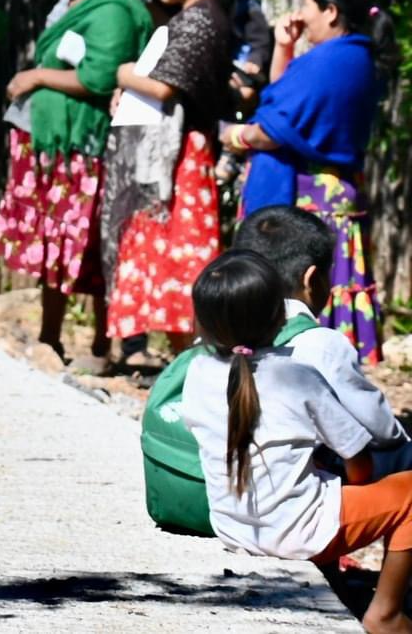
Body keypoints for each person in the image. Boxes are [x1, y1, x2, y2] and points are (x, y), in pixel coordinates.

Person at [176, 251, 412, 634]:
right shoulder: (296, 376)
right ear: (278, 317)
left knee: (315, 475)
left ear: (202, 320)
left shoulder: (197, 372)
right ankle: (386, 613)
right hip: (298, 533)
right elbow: (359, 460)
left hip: (233, 526)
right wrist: (359, 490)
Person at [0, 0, 152, 363]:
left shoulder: (114, 11)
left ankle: (103, 343)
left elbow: (100, 76)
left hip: (80, 146)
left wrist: (39, 77)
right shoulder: (75, 0)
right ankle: (51, 336)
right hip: (49, 142)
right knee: (54, 240)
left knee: (83, 242)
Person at [223, 0, 392, 364]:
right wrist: (284, 48)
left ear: (331, 11)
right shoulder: (345, 56)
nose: (302, 13)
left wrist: (234, 135)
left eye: (307, 3)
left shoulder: (336, 60)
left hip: (316, 203)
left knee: (304, 302)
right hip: (326, 196)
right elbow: (281, 103)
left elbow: (272, 126)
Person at [102, 0, 231, 346]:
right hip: (180, 152)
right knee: (170, 253)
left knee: (183, 257)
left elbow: (162, 86)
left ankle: (190, 363)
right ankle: (179, 361)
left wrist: (123, 73)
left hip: (187, 155)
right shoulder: (195, 18)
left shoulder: (200, 21)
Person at [243, 208, 411, 470]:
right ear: (311, 280)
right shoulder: (321, 344)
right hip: (305, 488)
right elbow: (382, 431)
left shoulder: (221, 334)